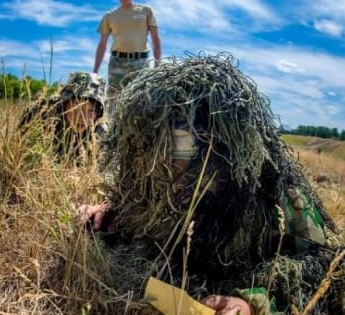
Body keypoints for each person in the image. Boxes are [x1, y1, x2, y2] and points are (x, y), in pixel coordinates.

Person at [77, 54, 344, 314]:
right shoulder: (152, 176)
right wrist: (106, 215)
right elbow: (137, 218)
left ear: (219, 152)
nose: (162, 176)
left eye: (176, 159)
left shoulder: (275, 188)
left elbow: (328, 265)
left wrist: (253, 302)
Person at [19, 72, 106, 165]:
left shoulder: (100, 132)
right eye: (76, 108)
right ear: (64, 106)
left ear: (98, 113)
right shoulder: (42, 118)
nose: (82, 117)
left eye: (90, 111)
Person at [93, 0, 161, 116]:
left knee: (144, 98)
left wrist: (157, 63)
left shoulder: (145, 11)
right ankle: (112, 130)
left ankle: (141, 130)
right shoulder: (109, 16)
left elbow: (155, 39)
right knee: (113, 100)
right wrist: (95, 71)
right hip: (117, 62)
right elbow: (102, 44)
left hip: (141, 62)